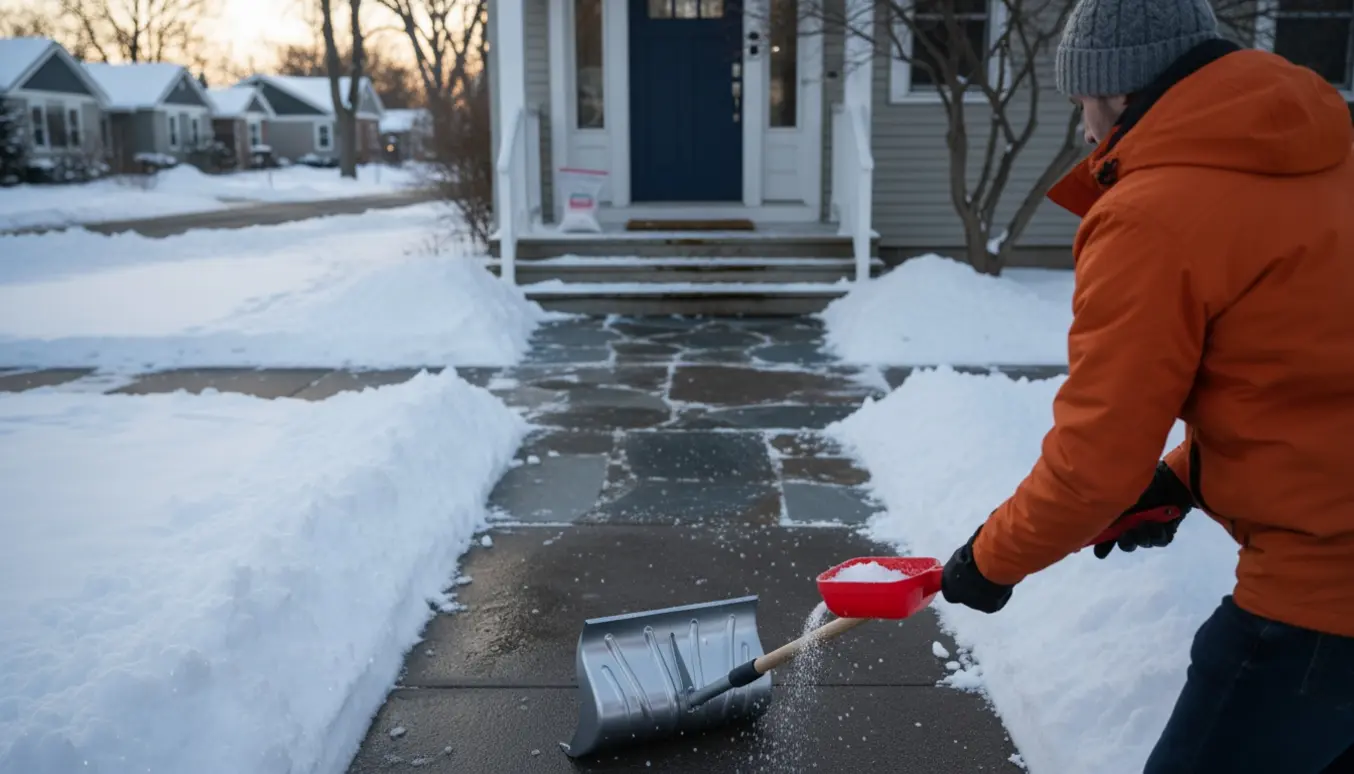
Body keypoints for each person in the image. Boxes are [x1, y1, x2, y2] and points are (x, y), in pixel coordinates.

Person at [936, 0, 1354, 770]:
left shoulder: (1154, 214)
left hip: (1321, 601)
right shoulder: (1329, 156)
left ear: (1119, 91)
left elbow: (1094, 465)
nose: (1083, 127)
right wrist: (1181, 478)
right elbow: (1311, 371)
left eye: (1082, 101)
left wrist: (988, 563)